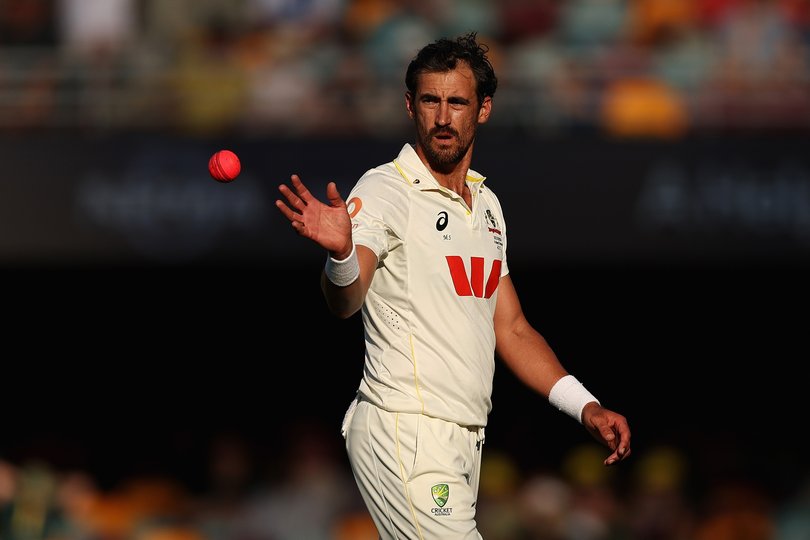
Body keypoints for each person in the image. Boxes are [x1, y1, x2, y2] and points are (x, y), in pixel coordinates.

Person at [275, 31, 632, 539]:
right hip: (405, 427)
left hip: (463, 437)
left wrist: (586, 406)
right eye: (430, 101)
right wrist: (343, 255)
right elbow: (346, 301)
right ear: (410, 106)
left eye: (457, 102)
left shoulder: (486, 206)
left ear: (482, 109)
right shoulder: (385, 189)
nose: (443, 117)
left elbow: (510, 328)